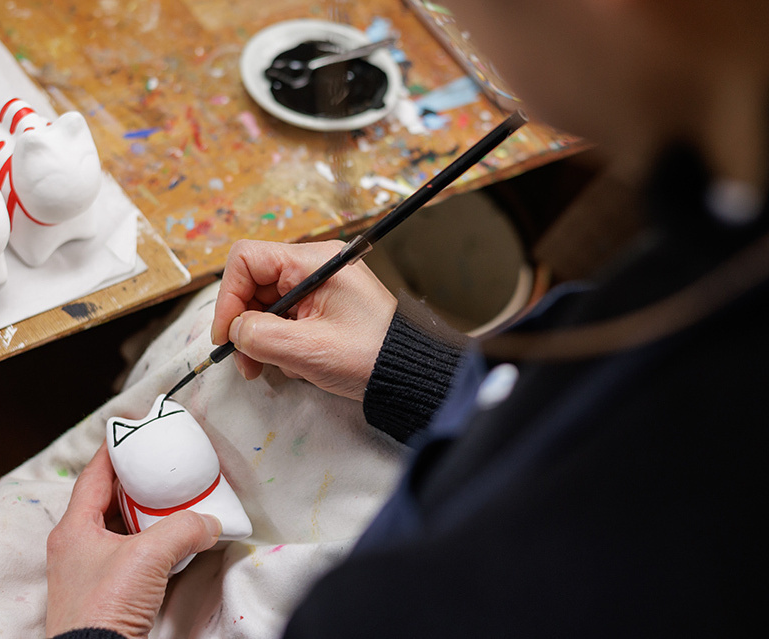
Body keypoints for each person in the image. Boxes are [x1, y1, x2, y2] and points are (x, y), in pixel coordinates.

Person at [45, 0, 768, 636]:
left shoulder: (491, 590)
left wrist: (92, 631)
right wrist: (414, 368)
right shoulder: (714, 249)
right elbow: (561, 411)